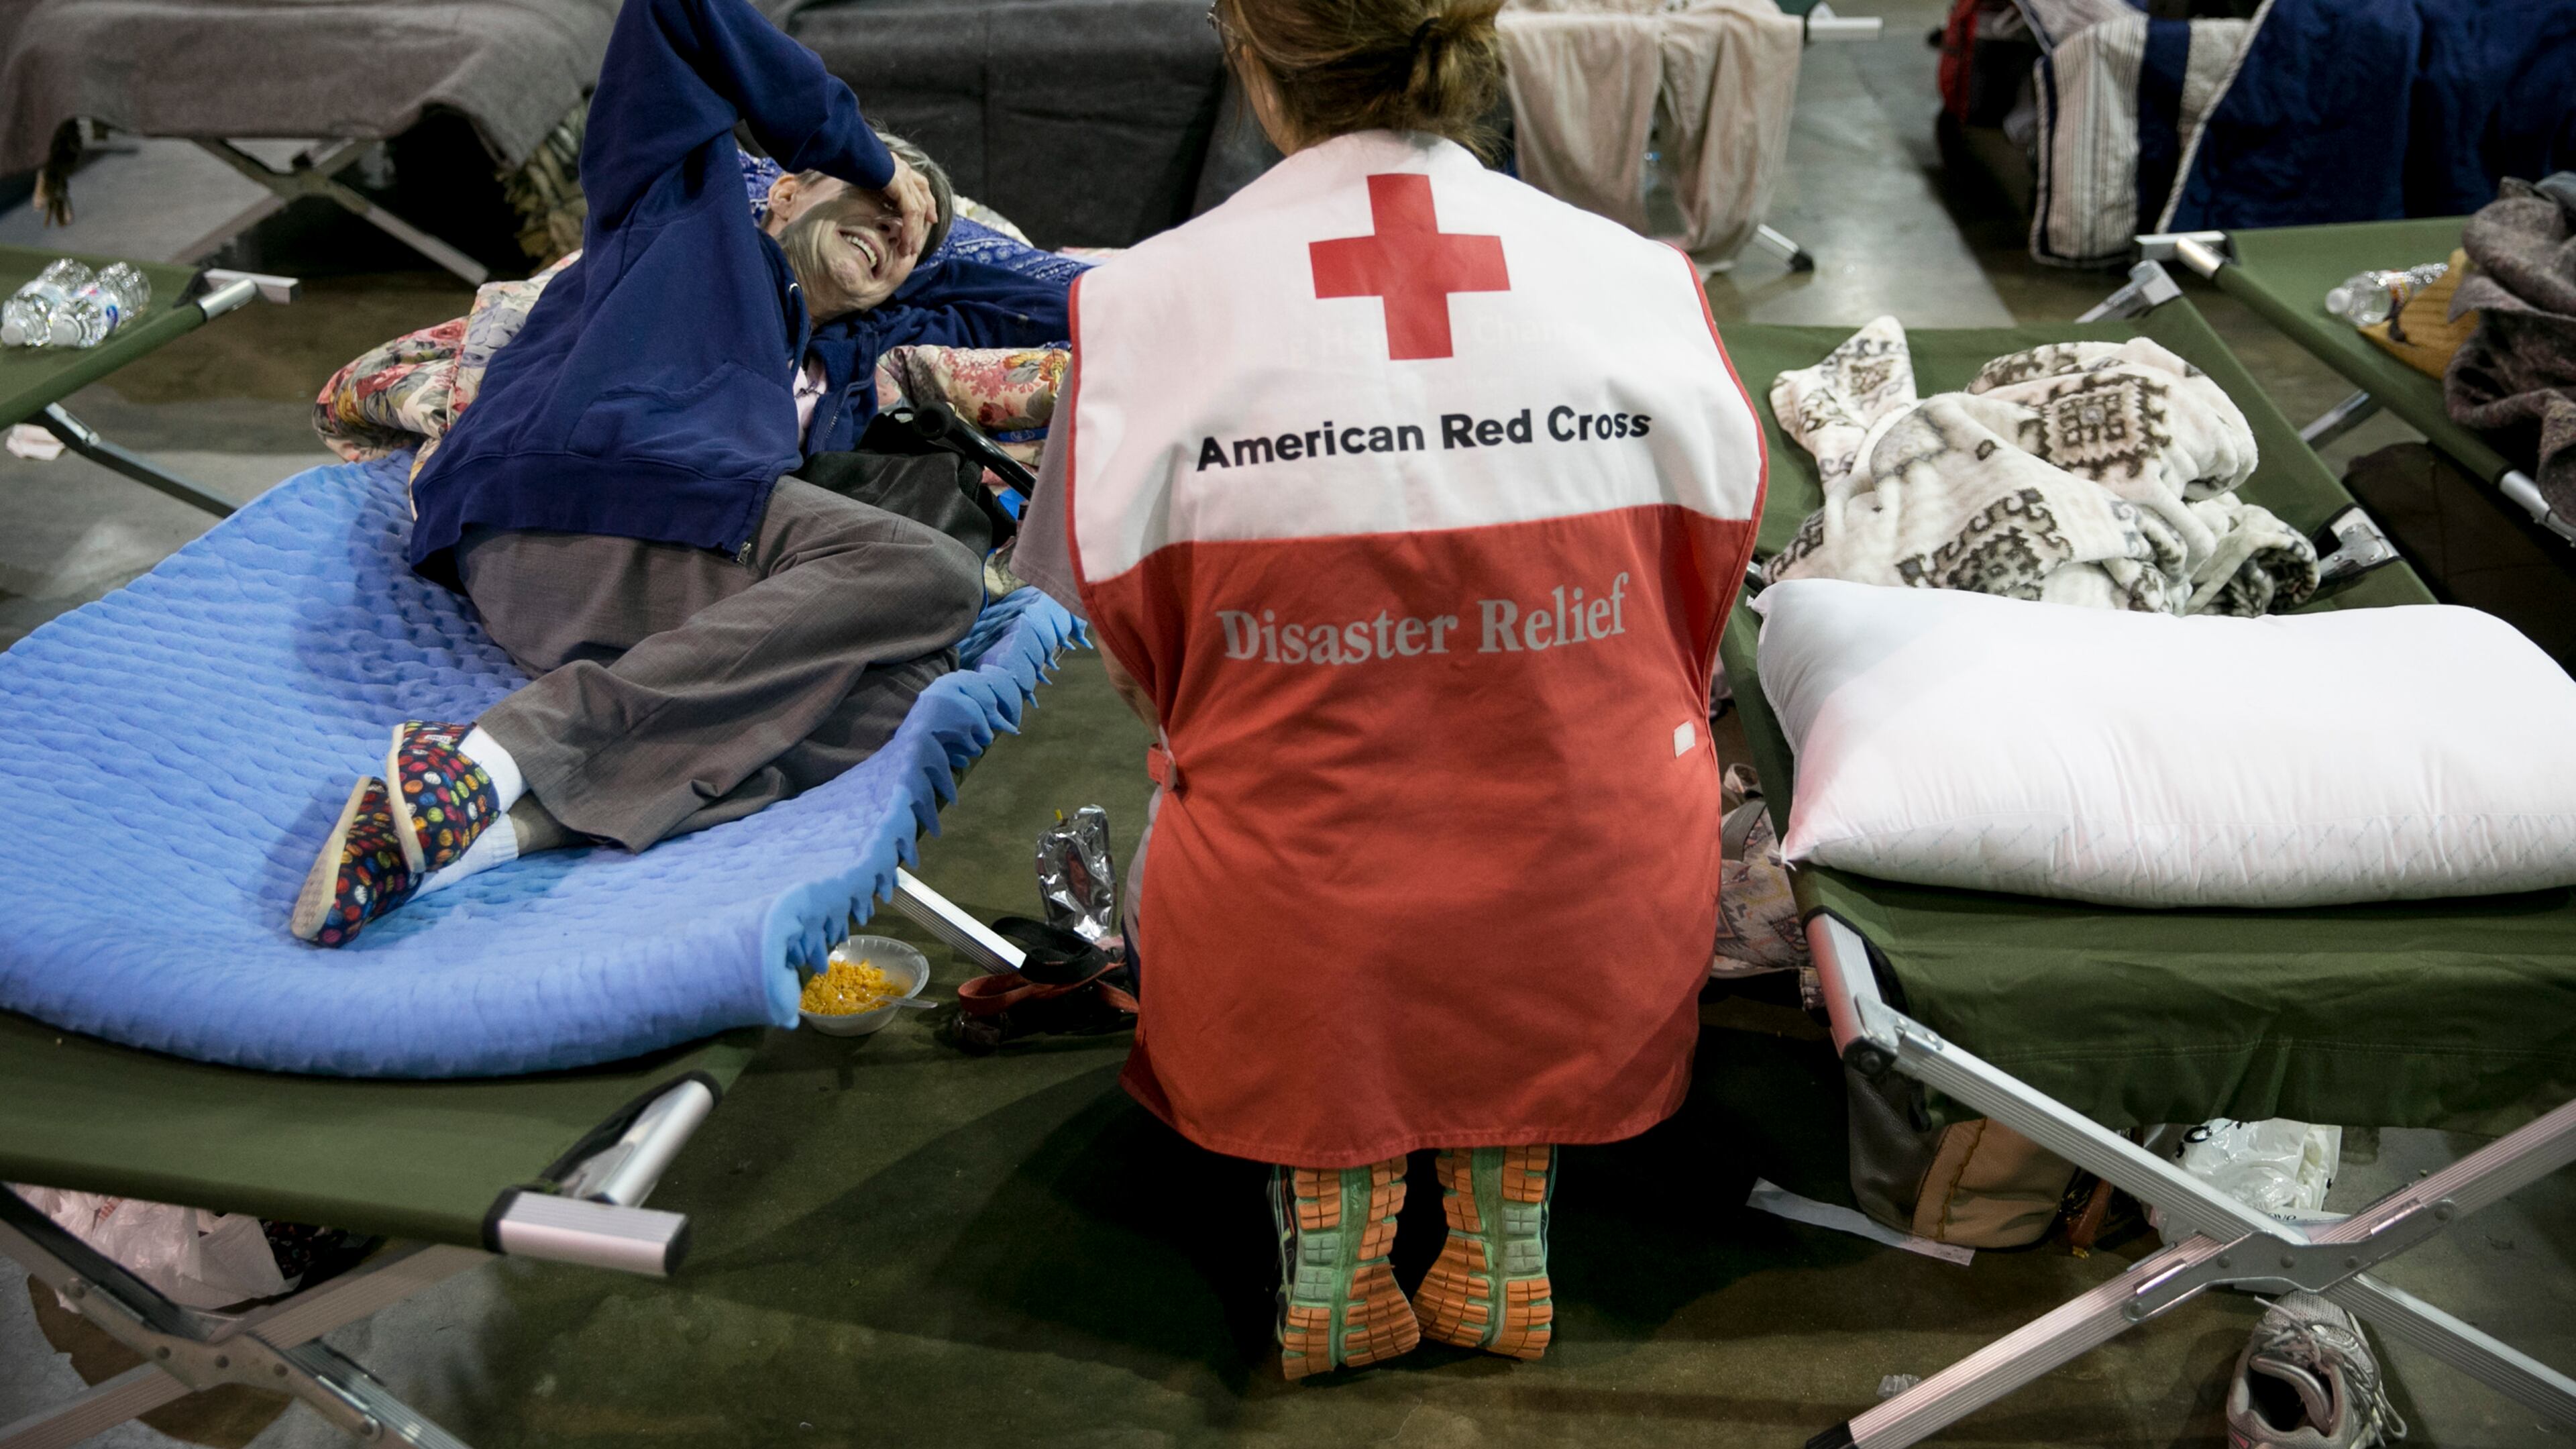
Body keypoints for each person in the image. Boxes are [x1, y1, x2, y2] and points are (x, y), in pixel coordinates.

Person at [1008, 0, 1767, 1381]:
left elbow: (1129, 658)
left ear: (1250, 54)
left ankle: (1336, 1243)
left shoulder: (1142, 306)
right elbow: (1696, 623)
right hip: (1596, 896)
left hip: (1297, 922)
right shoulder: (1642, 279)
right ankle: (1502, 1233)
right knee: (1551, 817)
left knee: (1260, 810)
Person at [292, 0, 1071, 947]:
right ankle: (497, 751)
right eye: (872, 204)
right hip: (562, 506)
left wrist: (924, 241)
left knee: (900, 694)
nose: (897, 228)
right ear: (783, 192)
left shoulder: (861, 353)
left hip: (658, 577)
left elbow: (1050, 297)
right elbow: (673, 11)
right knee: (932, 573)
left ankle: (471, 833)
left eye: (911, 238)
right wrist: (873, 161)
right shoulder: (673, 211)